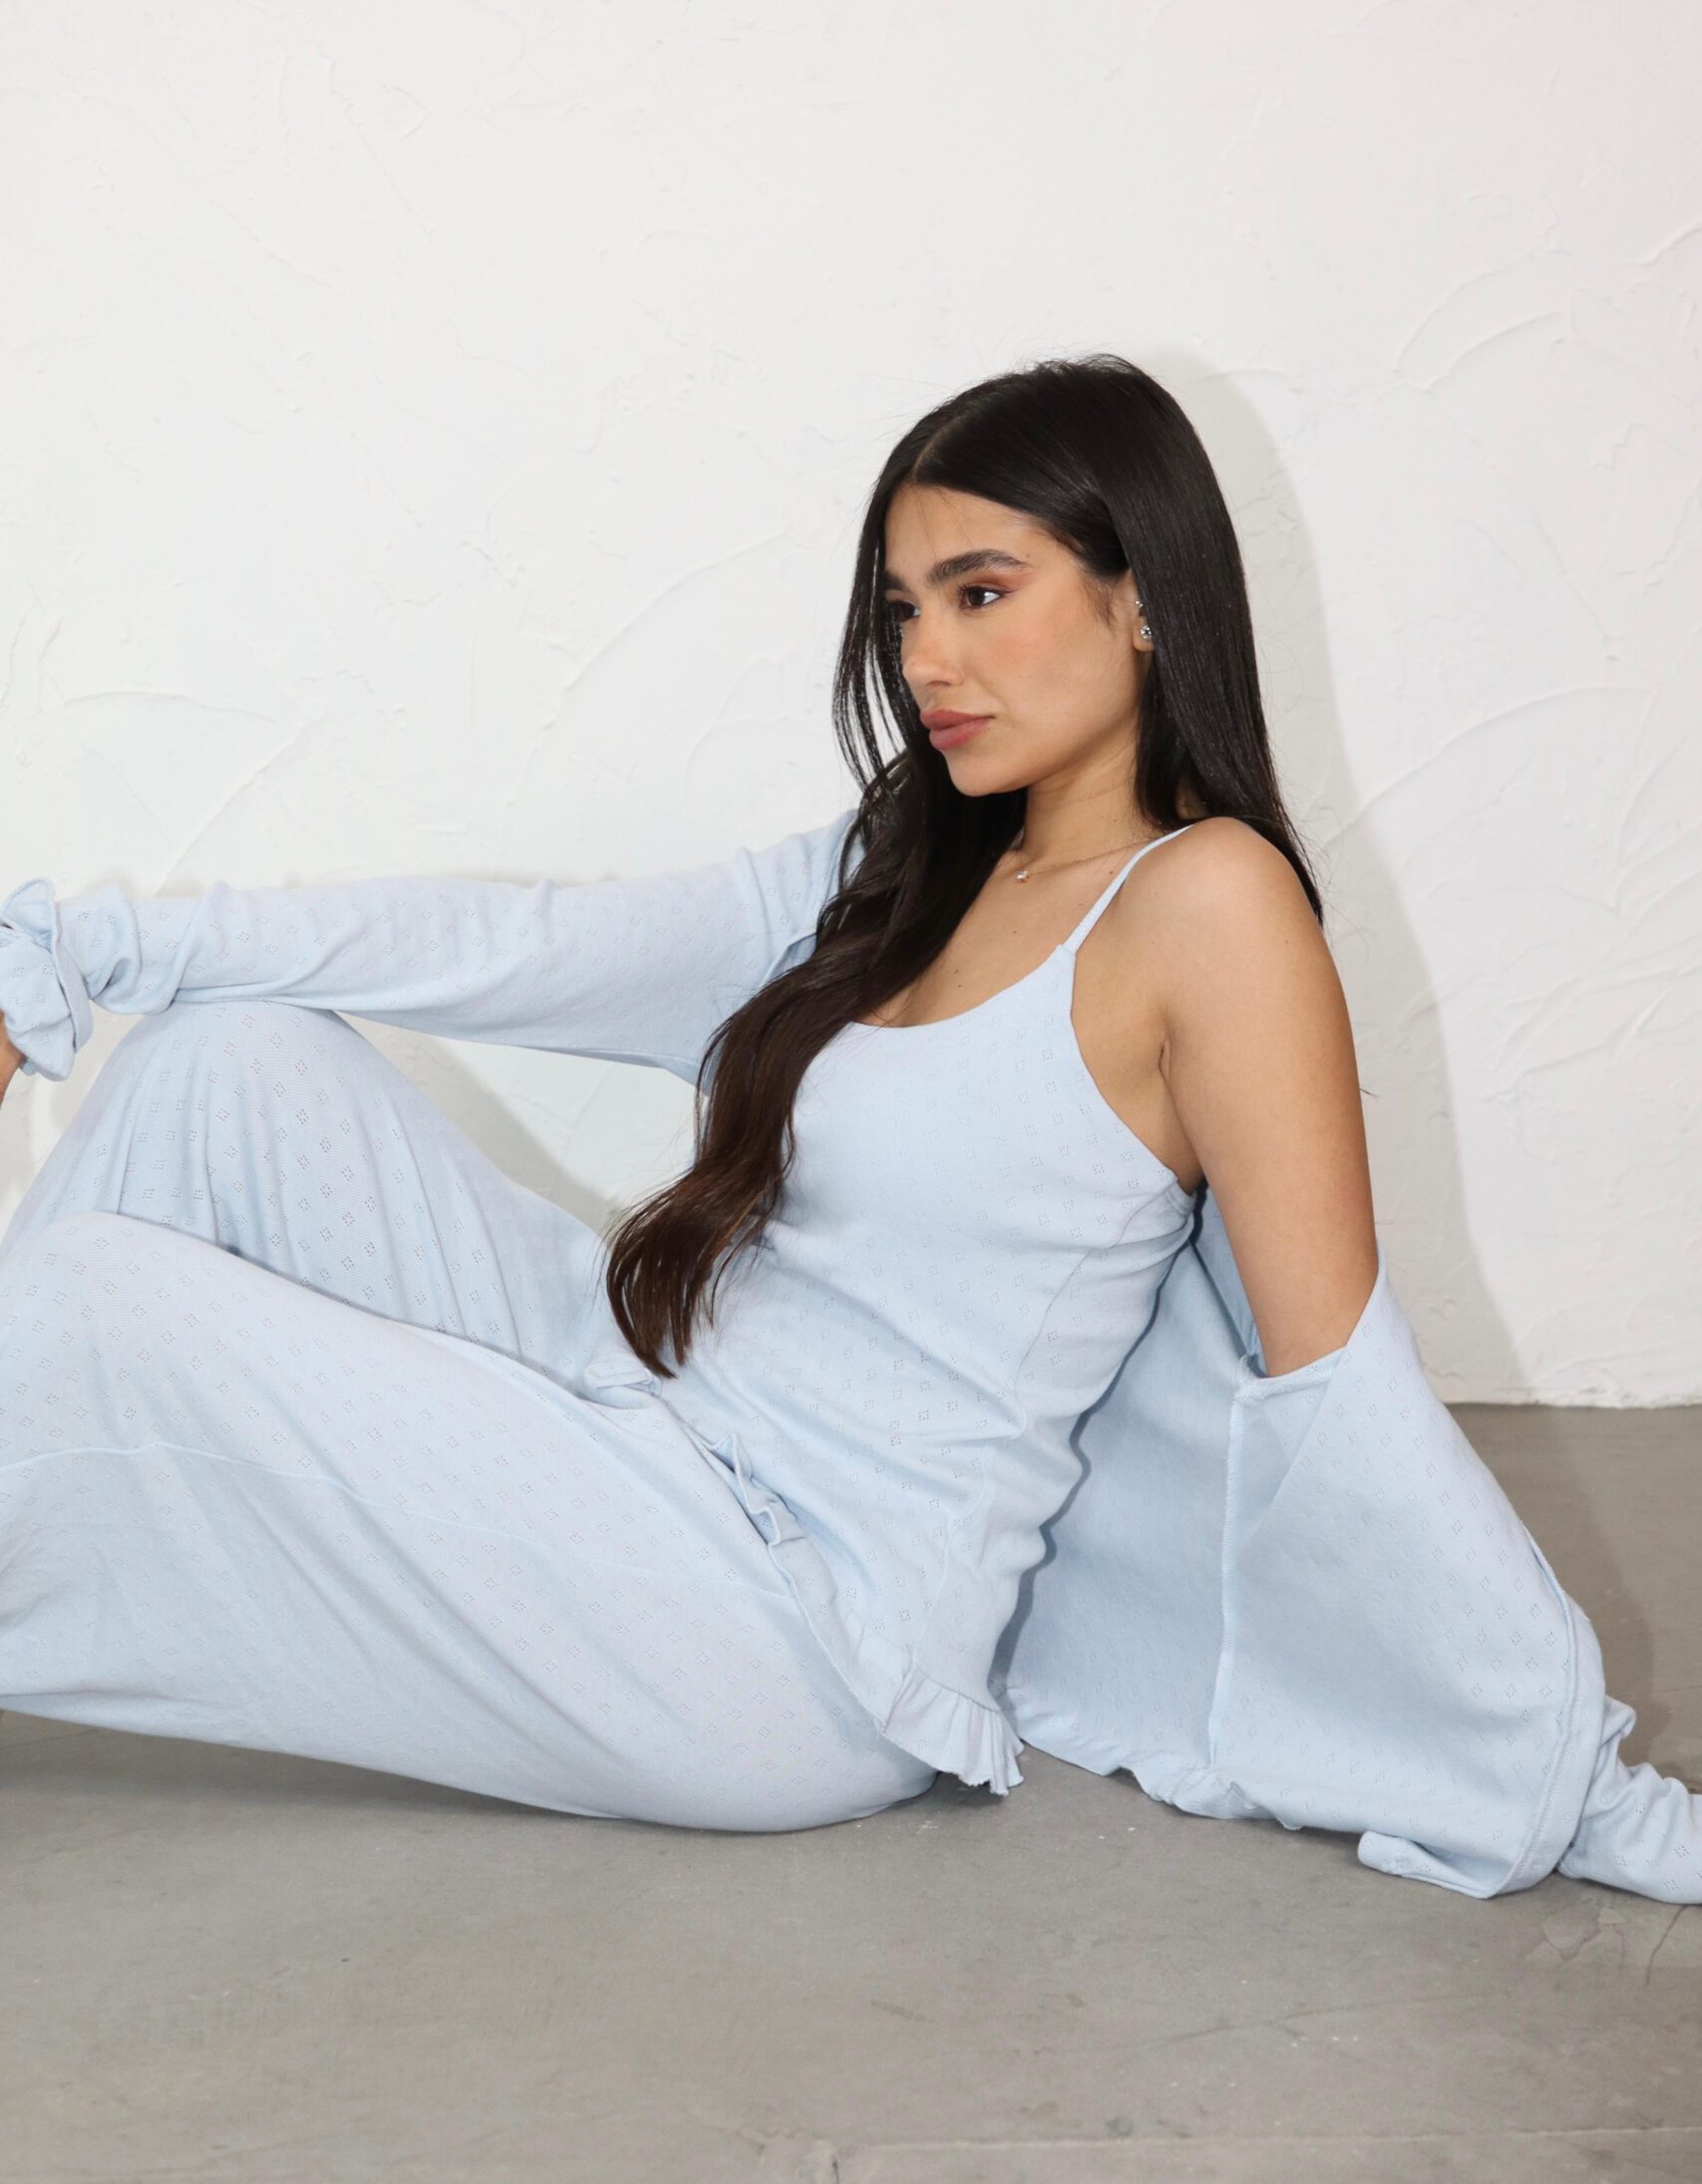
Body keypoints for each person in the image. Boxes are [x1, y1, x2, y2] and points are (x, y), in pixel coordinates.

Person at [0, 354, 1695, 1898]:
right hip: (652, 1405)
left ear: (1143, 599)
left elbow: (1341, 1393)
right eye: (905, 611)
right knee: (221, 1062)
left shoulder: (1211, 910)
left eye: (983, 592)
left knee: (96, 1309)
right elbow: (523, 946)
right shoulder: (906, 862)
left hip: (785, 1619)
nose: (927, 661)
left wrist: (1580, 1788)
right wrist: (84, 951)